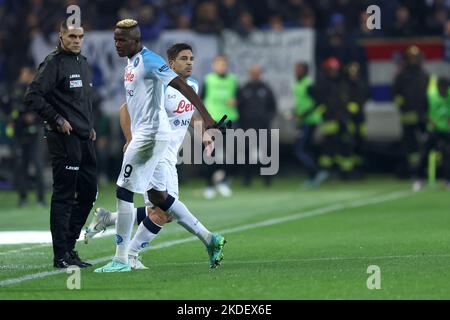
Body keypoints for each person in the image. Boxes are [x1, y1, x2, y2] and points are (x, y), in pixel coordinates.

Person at [94, 20, 227, 273]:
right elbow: (126, 109)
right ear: (172, 63)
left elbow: (185, 109)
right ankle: (130, 253)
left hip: (157, 143)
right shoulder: (136, 66)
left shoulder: (160, 68)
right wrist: (129, 137)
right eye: (184, 58)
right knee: (161, 205)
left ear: (135, 40)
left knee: (152, 204)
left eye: (191, 58)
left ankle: (122, 253)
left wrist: (204, 128)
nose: (190, 62)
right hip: (153, 146)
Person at [24, 20, 97, 269]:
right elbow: (33, 95)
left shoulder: (83, 63)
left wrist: (89, 126)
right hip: (64, 140)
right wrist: (56, 119)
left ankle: (69, 245)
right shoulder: (53, 63)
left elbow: (81, 102)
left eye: (80, 36)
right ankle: (61, 255)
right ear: (61, 36)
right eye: (72, 36)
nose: (77, 40)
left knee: (88, 193)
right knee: (65, 196)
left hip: (84, 139)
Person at [201, 55, 238, 199]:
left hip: (229, 121)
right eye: (219, 64)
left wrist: (236, 101)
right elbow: (200, 100)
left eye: (224, 64)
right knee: (209, 154)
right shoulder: (209, 80)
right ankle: (209, 185)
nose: (221, 67)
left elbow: (239, 98)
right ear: (213, 66)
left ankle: (222, 182)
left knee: (229, 155)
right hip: (212, 122)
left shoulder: (233, 80)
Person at [10, 67, 46, 207]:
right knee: (21, 166)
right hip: (20, 133)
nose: (24, 77)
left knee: (37, 165)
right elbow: (12, 109)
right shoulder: (15, 91)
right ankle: (23, 198)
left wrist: (33, 117)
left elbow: (43, 109)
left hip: (36, 131)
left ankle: (41, 199)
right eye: (22, 74)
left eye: (26, 74)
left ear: (32, 75)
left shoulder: (38, 90)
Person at [393, 46, 429, 178]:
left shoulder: (424, 76)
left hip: (423, 116)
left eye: (415, 57)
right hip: (407, 116)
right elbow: (396, 96)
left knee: (425, 143)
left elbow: (428, 96)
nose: (413, 60)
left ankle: (424, 168)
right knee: (410, 145)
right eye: (411, 58)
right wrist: (404, 106)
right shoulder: (401, 76)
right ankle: (413, 168)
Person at [237, 64, 276, 186]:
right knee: (247, 153)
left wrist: (267, 118)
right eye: (253, 72)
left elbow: (273, 107)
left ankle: (267, 180)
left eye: (257, 72)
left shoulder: (266, 88)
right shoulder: (245, 88)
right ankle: (247, 179)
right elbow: (239, 106)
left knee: (266, 153)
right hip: (247, 126)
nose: (255, 75)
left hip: (263, 126)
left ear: (260, 74)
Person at [292, 62, 328, 188]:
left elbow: (317, 102)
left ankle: (317, 172)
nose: (296, 71)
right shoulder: (299, 83)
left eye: (298, 69)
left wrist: (304, 115)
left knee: (300, 150)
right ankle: (313, 177)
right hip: (303, 121)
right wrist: (296, 114)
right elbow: (302, 102)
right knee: (306, 148)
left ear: (305, 71)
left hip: (309, 121)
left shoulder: (308, 84)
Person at [413, 76, 450, 191]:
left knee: (447, 155)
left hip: (446, 132)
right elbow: (421, 113)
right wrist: (428, 120)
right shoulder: (430, 96)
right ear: (438, 86)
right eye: (441, 87)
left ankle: (448, 181)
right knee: (424, 154)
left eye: (445, 88)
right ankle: (419, 179)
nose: (443, 90)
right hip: (432, 131)